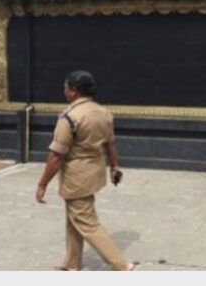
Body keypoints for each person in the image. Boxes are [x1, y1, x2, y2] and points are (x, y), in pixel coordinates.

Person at [35, 70, 134, 271]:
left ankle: (121, 264)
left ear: (73, 91)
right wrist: (114, 167)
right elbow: (110, 144)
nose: (64, 91)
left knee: (87, 221)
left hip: (77, 175)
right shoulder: (103, 113)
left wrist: (42, 183)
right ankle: (72, 261)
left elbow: (56, 155)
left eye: (65, 88)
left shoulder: (70, 116)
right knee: (75, 216)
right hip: (94, 171)